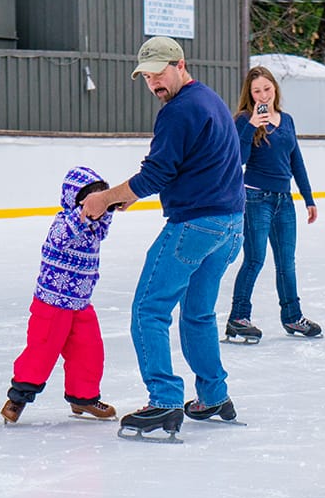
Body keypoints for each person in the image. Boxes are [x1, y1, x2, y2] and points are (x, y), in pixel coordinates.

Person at [81, 36, 245, 442]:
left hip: (195, 225)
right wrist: (130, 196)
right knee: (198, 313)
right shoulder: (208, 99)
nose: (154, 82)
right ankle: (213, 395)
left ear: (180, 64)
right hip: (230, 224)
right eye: (147, 76)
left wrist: (104, 198)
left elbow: (155, 174)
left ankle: (165, 399)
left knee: (148, 310)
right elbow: (186, 167)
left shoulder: (178, 111)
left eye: (159, 72)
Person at [1, 166, 117, 424]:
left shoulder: (95, 226)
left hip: (81, 302)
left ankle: (83, 398)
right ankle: (17, 398)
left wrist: (109, 205)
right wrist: (83, 214)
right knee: (42, 350)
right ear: (78, 200)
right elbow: (60, 237)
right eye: (93, 198)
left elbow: (103, 230)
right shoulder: (64, 221)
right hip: (52, 302)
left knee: (89, 350)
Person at [224, 65, 321, 343]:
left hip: (284, 201)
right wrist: (252, 125)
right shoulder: (243, 119)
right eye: (257, 91)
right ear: (250, 94)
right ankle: (238, 318)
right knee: (254, 260)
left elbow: (296, 161)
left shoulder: (287, 120)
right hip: (255, 199)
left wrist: (308, 197)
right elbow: (237, 160)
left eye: (267, 89)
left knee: (286, 263)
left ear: (275, 89)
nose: (263, 95)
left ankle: (292, 317)